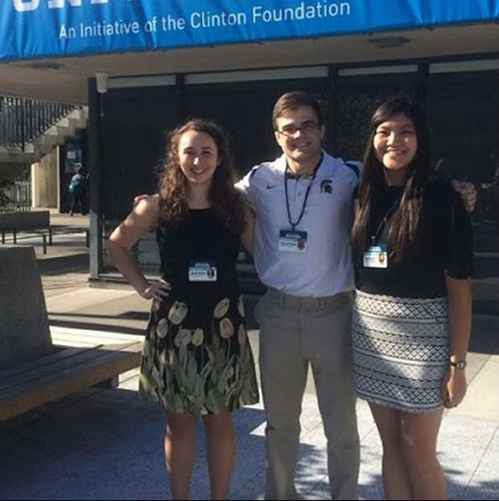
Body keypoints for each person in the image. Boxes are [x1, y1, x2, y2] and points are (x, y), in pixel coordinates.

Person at [237, 91, 476, 501]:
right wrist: (156, 202)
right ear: (276, 135)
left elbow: (408, 191)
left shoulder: (350, 175)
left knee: (342, 426)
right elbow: (212, 194)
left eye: (308, 125)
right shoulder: (260, 178)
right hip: (277, 312)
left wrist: (458, 189)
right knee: (280, 422)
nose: (299, 135)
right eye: (289, 128)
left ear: (322, 130)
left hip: (337, 314)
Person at [107, 119, 259, 501]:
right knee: (179, 423)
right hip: (173, 326)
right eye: (189, 151)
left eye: (206, 151)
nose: (197, 160)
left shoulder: (236, 208)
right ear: (176, 157)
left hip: (222, 325)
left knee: (221, 422)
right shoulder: (157, 206)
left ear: (219, 157)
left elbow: (263, 250)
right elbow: (117, 244)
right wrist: (142, 285)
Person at [351, 97, 473, 500]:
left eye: (405, 131)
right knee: (390, 446)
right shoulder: (362, 193)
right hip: (371, 336)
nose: (394, 141)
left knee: (419, 449)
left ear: (421, 139)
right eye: (384, 131)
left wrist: (457, 363)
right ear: (372, 138)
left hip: (425, 340)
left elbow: (459, 288)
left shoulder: (444, 199)